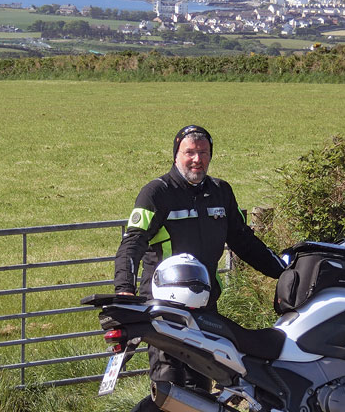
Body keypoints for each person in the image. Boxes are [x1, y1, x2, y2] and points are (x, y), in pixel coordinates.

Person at [114, 124, 285, 388]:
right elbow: (133, 242)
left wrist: (283, 272)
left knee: (202, 387)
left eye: (203, 152)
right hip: (166, 307)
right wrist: (124, 288)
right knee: (170, 383)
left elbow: (244, 242)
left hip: (204, 304)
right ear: (176, 155)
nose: (197, 159)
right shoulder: (157, 192)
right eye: (190, 152)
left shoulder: (221, 191)